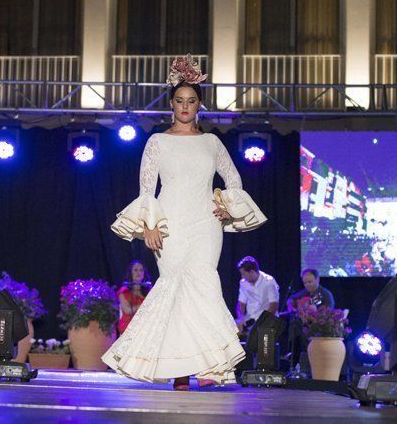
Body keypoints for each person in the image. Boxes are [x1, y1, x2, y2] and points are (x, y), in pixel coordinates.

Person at [103, 56, 267, 390]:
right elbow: (146, 189)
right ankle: (179, 372)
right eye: (180, 101)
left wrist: (227, 207)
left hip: (206, 224)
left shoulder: (211, 142)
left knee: (205, 285)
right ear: (171, 104)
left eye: (191, 101)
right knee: (175, 291)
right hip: (171, 225)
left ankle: (208, 365)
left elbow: (233, 178)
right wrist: (149, 225)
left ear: (199, 105)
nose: (185, 106)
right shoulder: (157, 142)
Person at [236, 256, 279, 333]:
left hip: (267, 320)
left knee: (264, 338)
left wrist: (259, 323)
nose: (242, 277)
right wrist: (241, 318)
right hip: (250, 320)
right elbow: (241, 304)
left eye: (244, 274)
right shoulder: (243, 283)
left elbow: (273, 306)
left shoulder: (269, 282)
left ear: (252, 272)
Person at [117, 261, 152, 335]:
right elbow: (127, 310)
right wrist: (145, 305)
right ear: (130, 273)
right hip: (128, 326)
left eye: (141, 270)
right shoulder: (124, 291)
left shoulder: (149, 290)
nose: (138, 272)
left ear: (144, 273)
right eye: (135, 270)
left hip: (146, 324)